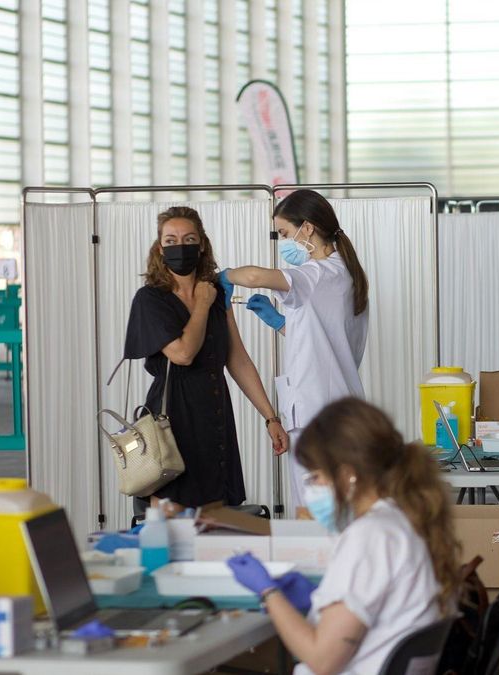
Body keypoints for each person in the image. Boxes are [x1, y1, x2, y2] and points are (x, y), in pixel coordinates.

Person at [227, 398, 460, 674]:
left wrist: (268, 591)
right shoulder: (404, 519)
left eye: (316, 476)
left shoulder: (369, 536)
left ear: (348, 474)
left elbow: (322, 660)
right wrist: (315, 597)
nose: (312, 487)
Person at [123, 206, 286, 510]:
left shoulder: (214, 294)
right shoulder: (150, 299)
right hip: (172, 420)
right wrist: (201, 304)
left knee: (216, 519)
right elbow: (183, 354)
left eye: (188, 238)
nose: (179, 246)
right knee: (173, 521)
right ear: (160, 248)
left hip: (215, 416)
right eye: (170, 240)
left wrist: (270, 416)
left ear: (201, 245)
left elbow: (237, 359)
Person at [223, 190, 370, 515]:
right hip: (335, 412)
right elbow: (323, 337)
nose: (283, 242)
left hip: (318, 414)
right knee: (337, 510)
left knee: (316, 515)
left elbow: (255, 276)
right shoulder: (345, 274)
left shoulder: (318, 274)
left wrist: (225, 275)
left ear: (308, 228)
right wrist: (279, 322)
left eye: (285, 233)